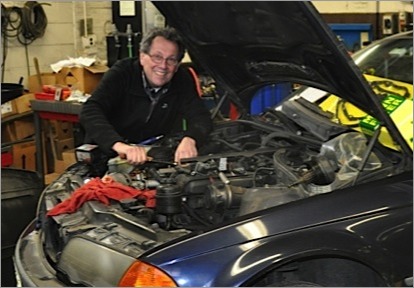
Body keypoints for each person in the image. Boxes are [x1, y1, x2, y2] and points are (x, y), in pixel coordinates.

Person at [79, 27, 213, 165]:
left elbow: (201, 117)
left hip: (151, 156)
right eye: (157, 57)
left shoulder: (182, 80)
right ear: (142, 57)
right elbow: (90, 110)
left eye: (171, 60)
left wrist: (190, 139)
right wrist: (120, 146)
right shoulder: (122, 73)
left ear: (178, 64)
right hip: (108, 155)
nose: (163, 65)